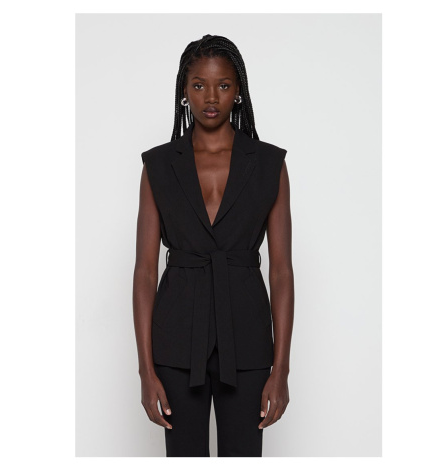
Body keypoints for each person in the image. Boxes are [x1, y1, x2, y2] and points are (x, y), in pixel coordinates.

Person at [133, 34, 294, 457]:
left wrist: (281, 369)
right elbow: (145, 271)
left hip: (248, 339)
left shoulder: (269, 165)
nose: (210, 97)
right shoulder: (158, 165)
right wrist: (145, 369)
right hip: (175, 339)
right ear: (184, 91)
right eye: (199, 85)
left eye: (223, 85)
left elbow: (281, 271)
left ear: (238, 91)